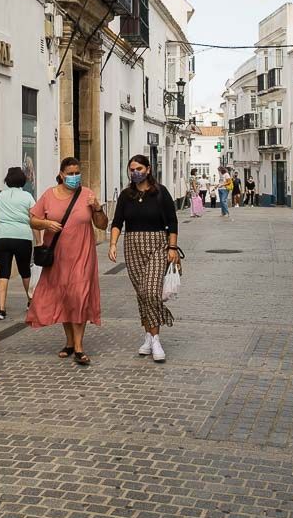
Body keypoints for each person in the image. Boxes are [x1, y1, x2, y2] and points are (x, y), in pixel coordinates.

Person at [26, 157, 108, 366]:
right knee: (65, 298)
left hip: (83, 255)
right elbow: (32, 219)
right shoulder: (49, 195)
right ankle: (69, 342)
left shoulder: (87, 194)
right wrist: (46, 223)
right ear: (61, 174)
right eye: (70, 173)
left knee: (79, 296)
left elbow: (101, 225)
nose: (74, 177)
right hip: (58, 258)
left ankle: (79, 347)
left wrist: (98, 208)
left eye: (77, 173)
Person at [109, 155, 180, 363]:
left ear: (148, 169)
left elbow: (172, 221)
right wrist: (113, 243)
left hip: (158, 245)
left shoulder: (160, 193)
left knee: (150, 290)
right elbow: (117, 222)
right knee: (142, 293)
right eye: (132, 169)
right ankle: (149, 337)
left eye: (139, 168)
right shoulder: (125, 195)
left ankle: (156, 339)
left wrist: (173, 247)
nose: (135, 172)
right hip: (132, 247)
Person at [0, 166, 39, 320]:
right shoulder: (28, 197)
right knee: (25, 272)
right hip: (23, 237)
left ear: (7, 180)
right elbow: (34, 219)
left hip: (1, 237)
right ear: (23, 180)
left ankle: (1, 310)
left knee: (4, 273)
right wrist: (39, 241)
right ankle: (31, 302)